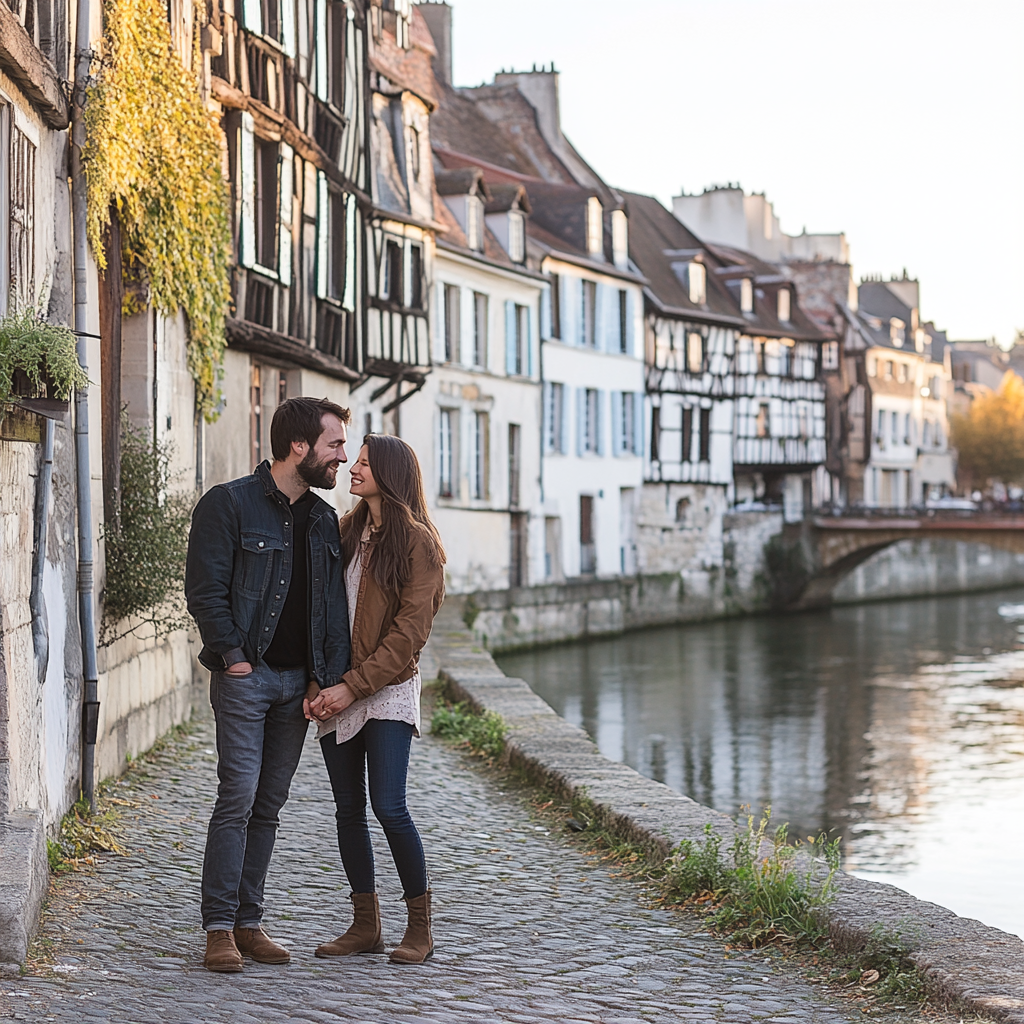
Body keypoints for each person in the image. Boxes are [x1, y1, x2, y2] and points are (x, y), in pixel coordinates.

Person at [185, 396, 351, 973]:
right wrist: (232, 658)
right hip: (246, 679)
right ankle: (218, 930)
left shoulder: (325, 520)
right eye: (334, 445)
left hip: (294, 687)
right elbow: (205, 590)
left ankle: (250, 923)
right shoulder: (228, 504)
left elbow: (329, 608)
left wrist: (319, 679)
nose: (342, 457)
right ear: (299, 447)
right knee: (238, 796)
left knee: (270, 805)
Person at [307, 434, 445, 965]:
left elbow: (409, 634)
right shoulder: (347, 530)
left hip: (384, 689)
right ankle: (365, 925)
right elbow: (320, 612)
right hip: (337, 687)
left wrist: (353, 686)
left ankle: (420, 927)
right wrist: (318, 684)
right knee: (347, 810)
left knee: (389, 806)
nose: (352, 467)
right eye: (354, 460)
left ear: (388, 472)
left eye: (363, 462)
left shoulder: (417, 544)